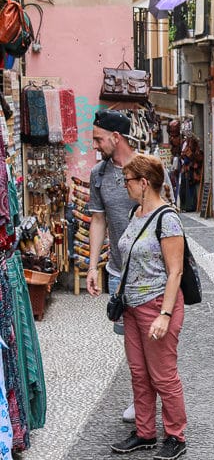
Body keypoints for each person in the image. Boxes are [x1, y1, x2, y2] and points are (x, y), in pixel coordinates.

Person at [110, 154, 188, 460]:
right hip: (132, 306)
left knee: (163, 376)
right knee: (139, 373)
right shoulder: (136, 213)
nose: (124, 186)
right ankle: (144, 433)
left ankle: (175, 436)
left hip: (157, 304)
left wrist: (165, 315)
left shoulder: (167, 218)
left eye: (127, 180)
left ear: (144, 183)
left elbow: (175, 271)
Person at [87, 109, 138, 424]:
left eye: (98, 139)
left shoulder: (148, 168)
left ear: (115, 137)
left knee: (151, 339)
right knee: (129, 339)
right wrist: (94, 267)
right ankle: (139, 397)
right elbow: (98, 220)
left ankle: (155, 393)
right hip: (118, 271)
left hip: (150, 272)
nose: (95, 145)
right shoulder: (98, 175)